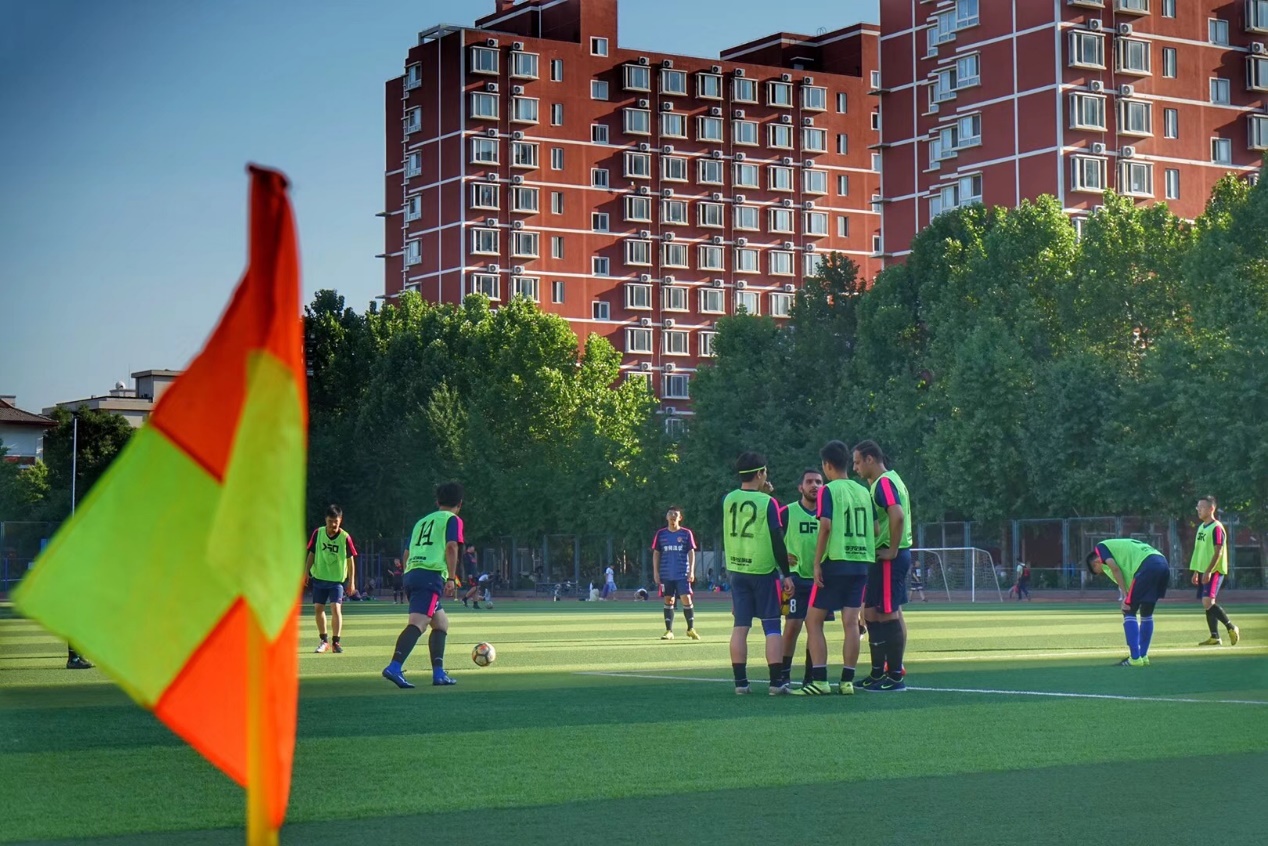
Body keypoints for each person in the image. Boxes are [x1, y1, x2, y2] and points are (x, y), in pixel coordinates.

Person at [793, 443, 875, 696]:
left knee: (813, 620)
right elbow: (876, 528)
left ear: (827, 465)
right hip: (861, 564)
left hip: (836, 562)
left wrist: (817, 562)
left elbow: (826, 526)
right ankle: (847, 681)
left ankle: (820, 680)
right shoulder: (863, 491)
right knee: (851, 623)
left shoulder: (828, 490)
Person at [722, 451, 794, 695]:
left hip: (736, 569)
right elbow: (777, 539)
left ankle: (741, 683)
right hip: (762, 569)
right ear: (761, 473)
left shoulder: (728, 499)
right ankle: (776, 683)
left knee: (740, 626)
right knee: (772, 626)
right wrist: (787, 573)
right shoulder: (768, 503)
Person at [382, 482, 463, 689]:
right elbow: (452, 546)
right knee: (418, 623)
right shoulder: (452, 519)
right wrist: (451, 578)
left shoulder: (422, 521)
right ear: (460, 504)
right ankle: (394, 667)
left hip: (412, 573)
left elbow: (406, 553)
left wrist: (409, 574)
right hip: (430, 575)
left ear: (437, 502)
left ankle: (438, 673)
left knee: (441, 623)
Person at [852, 440, 912, 692]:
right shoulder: (888, 481)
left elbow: (897, 515)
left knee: (887, 613)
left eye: (857, 462)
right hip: (882, 556)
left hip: (890, 556)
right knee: (872, 613)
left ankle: (895, 676)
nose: (855, 468)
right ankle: (877, 673)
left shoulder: (884, 483)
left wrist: (892, 549)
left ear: (870, 459)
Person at [779, 468, 832, 689]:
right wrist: (781, 560)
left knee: (815, 628)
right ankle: (783, 674)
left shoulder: (828, 513)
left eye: (819, 482)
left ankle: (812, 675)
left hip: (821, 580)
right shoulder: (787, 512)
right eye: (809, 481)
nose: (815, 485)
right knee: (792, 626)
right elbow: (772, 539)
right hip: (796, 579)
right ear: (800, 487)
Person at [1086, 538, 1170, 666]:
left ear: (1096, 563)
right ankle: (1143, 656)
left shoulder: (1101, 547)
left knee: (1128, 610)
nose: (1104, 571)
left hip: (1146, 565)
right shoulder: (1120, 547)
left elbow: (1115, 568)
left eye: (1101, 571)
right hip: (1162, 563)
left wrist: (1125, 596)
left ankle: (1135, 658)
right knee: (1146, 612)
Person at [306, 505, 357, 654]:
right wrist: (306, 572)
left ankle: (336, 642)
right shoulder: (318, 533)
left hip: (336, 580)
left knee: (336, 607)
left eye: (336, 521)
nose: (333, 525)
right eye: (330, 521)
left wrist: (352, 582)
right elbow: (312, 554)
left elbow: (350, 560)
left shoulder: (345, 537)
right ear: (325, 520)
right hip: (319, 577)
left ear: (340, 520)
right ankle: (324, 641)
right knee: (318, 608)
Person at [1191, 496, 1240, 646]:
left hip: (1214, 570)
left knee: (1208, 601)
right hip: (1202, 570)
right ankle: (1215, 636)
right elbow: (1199, 551)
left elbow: (1218, 551)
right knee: (1207, 603)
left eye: (1202, 507)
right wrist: (1196, 571)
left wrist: (1208, 571)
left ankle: (1231, 627)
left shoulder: (1216, 527)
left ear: (1211, 509)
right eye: (1198, 507)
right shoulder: (1201, 527)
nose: (1199, 510)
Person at [651, 506, 700, 640]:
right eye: (670, 514)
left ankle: (690, 629)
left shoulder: (686, 533)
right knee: (669, 599)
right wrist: (656, 572)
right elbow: (656, 553)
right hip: (666, 573)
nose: (673, 516)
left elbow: (691, 552)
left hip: (682, 573)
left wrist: (691, 570)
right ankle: (669, 631)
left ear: (680, 518)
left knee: (686, 598)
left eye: (675, 514)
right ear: (666, 517)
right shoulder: (661, 534)